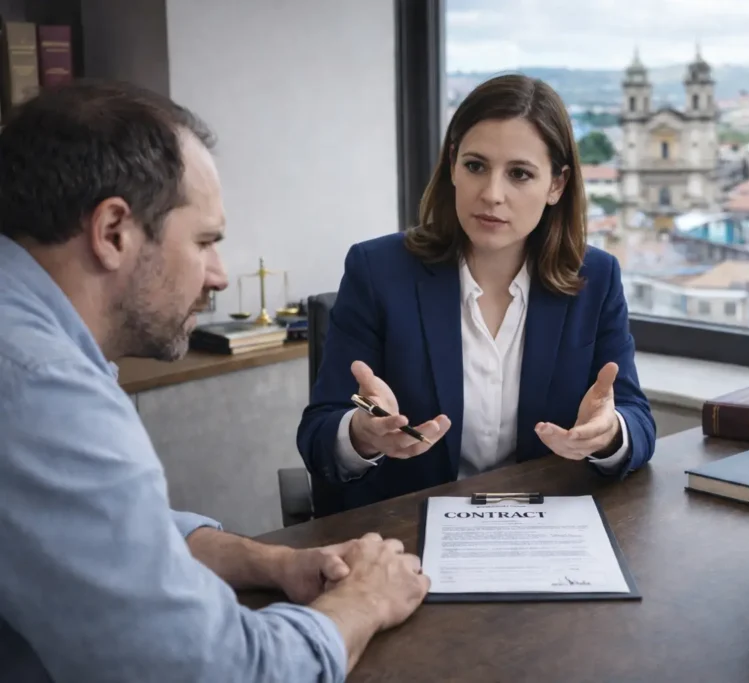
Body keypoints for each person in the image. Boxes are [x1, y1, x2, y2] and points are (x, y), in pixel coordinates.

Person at [0, 81, 428, 682]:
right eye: (204, 241)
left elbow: (100, 528)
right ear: (114, 231)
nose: (220, 276)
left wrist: (268, 562)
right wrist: (364, 600)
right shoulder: (42, 389)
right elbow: (221, 671)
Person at [297, 74, 656, 514]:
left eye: (520, 174)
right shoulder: (377, 272)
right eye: (475, 166)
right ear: (452, 165)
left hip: (544, 531)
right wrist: (359, 434)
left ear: (556, 185)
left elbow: (637, 420)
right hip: (408, 533)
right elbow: (317, 436)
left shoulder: (596, 277)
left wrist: (609, 433)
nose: (491, 194)